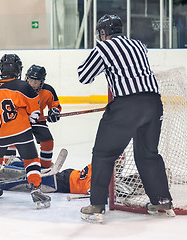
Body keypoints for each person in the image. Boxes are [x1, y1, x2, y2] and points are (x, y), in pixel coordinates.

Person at [77, 14, 173, 222]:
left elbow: (84, 76)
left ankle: (96, 205)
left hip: (127, 106)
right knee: (148, 154)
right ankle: (162, 200)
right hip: (153, 103)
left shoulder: (104, 48)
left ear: (103, 33)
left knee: (104, 153)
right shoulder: (138, 45)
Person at [0, 53, 51, 209]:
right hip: (21, 131)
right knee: (31, 160)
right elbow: (34, 113)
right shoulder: (23, 86)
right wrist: (28, 117)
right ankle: (35, 189)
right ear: (18, 69)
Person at [25, 64, 62, 168]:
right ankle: (8, 163)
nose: (32, 84)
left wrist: (54, 112)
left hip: (38, 121)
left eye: (36, 81)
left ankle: (45, 167)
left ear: (42, 81)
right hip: (20, 121)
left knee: (48, 140)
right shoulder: (20, 88)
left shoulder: (48, 90)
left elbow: (55, 106)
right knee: (13, 137)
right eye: (30, 80)